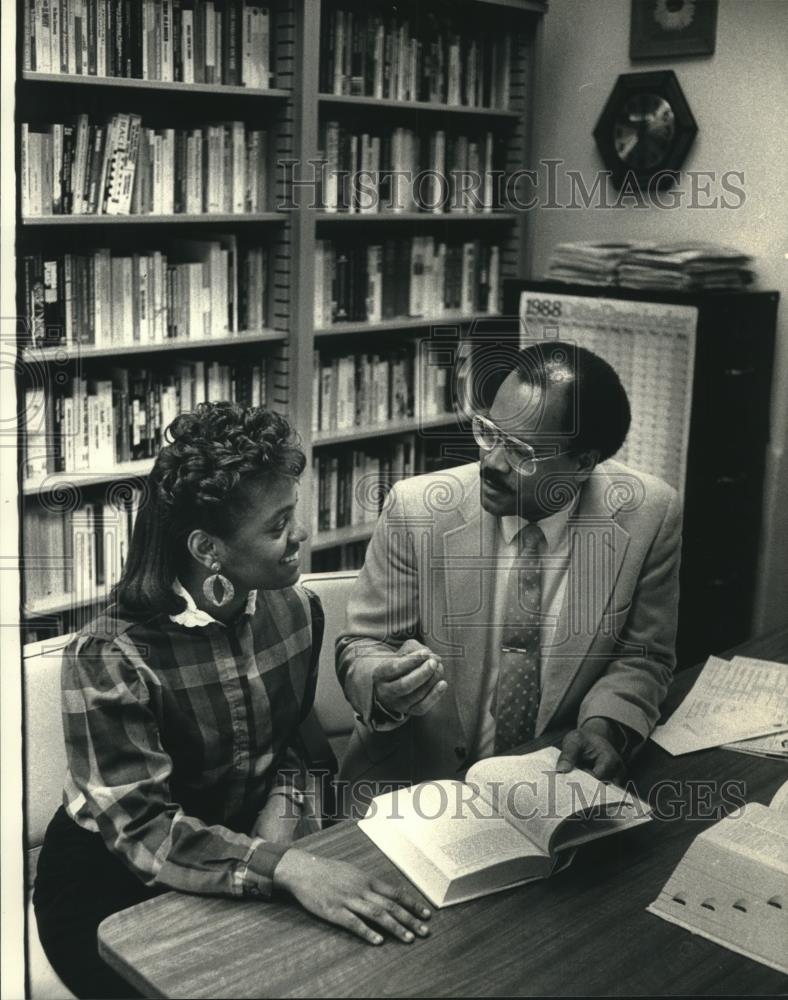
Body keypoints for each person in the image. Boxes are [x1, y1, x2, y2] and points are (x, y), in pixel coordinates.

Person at [33, 403, 431, 1000]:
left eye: (293, 514)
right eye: (277, 526)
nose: (301, 535)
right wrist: (287, 865)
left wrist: (285, 803)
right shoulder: (108, 656)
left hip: (246, 848)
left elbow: (294, 738)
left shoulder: (297, 610)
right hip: (111, 881)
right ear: (207, 548)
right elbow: (143, 833)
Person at [336, 342, 682, 811]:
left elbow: (643, 658)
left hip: (551, 789)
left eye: (520, 451)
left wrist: (605, 727)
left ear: (582, 464)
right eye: (488, 432)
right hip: (407, 790)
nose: (492, 463)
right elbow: (363, 645)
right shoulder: (415, 509)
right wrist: (384, 683)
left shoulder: (649, 515)